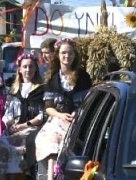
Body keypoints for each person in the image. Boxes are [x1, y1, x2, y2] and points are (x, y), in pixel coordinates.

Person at [34, 37, 92, 166]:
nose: (67, 56)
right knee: (51, 143)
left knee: (71, 144)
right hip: (57, 119)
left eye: (70, 53)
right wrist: (60, 115)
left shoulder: (83, 77)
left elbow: (88, 102)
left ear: (74, 55)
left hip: (77, 119)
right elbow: (48, 107)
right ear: (58, 55)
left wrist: (77, 114)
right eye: (63, 53)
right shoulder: (52, 78)